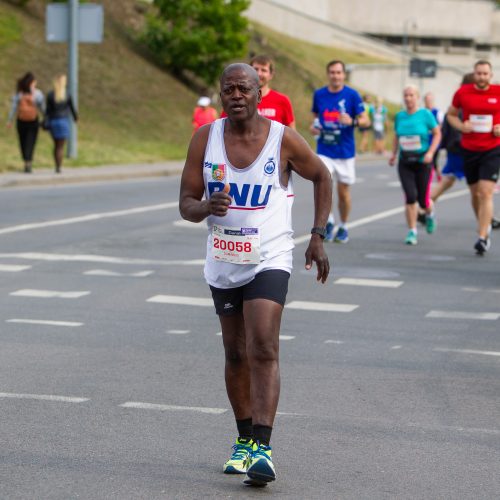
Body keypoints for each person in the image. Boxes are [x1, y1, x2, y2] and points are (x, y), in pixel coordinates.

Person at [179, 63, 331, 487]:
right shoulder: (204, 139)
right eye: (229, 89)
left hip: (270, 255)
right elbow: (186, 204)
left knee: (262, 343)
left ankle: (263, 447)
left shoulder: (282, 138)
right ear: (221, 94)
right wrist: (207, 207)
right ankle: (244, 439)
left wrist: (317, 235)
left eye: (244, 88)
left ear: (259, 92)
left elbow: (322, 175)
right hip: (224, 259)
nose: (236, 95)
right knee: (235, 353)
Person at [311, 60, 370, 243]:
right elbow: (315, 117)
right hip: (324, 149)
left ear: (343, 75)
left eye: (338, 72)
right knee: (323, 183)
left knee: (343, 192)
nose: (335, 76)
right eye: (332, 72)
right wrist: (315, 128)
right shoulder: (319, 94)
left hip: (345, 151)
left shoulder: (352, 95)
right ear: (328, 74)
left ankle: (343, 226)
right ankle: (328, 222)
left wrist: (352, 122)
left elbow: (365, 120)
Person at [447, 60, 500, 255]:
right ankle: (483, 224)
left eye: (485, 74)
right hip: (469, 149)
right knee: (475, 193)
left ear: (490, 76)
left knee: (486, 192)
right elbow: (451, 115)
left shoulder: (498, 92)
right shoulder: (463, 93)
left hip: (492, 149)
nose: (482, 77)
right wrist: (461, 126)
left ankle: (483, 236)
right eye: (479, 73)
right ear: (474, 74)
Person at [389, 85, 441, 245]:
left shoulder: (425, 114)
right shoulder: (400, 116)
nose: (408, 98)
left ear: (417, 97)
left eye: (412, 95)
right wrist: (393, 154)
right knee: (410, 197)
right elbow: (397, 136)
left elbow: (438, 133)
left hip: (422, 162)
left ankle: (429, 214)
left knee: (423, 201)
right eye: (406, 95)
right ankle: (412, 231)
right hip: (405, 161)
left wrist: (430, 153)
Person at [430, 74, 475, 206]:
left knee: (451, 181)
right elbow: (456, 131)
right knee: (477, 185)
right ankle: (424, 206)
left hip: (456, 149)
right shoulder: (464, 104)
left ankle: (424, 206)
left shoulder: (458, 102)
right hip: (462, 150)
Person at [221, 54, 296, 129]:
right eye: (255, 69)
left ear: (271, 75)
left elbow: (292, 133)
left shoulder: (282, 101)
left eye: (263, 70)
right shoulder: (237, 98)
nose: (259, 73)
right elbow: (222, 127)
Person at [6, 72, 44, 173]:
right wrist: (45, 117)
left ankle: (26, 160)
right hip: (33, 121)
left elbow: (13, 108)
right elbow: (42, 107)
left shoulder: (19, 94)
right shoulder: (37, 94)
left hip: (21, 121)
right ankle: (28, 162)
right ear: (32, 82)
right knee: (30, 142)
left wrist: (10, 120)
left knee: (23, 142)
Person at [44, 74, 78, 173]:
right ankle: (59, 166)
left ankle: (56, 164)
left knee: (56, 145)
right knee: (61, 146)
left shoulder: (51, 95)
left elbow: (47, 111)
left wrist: (45, 121)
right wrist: (75, 118)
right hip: (63, 121)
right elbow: (72, 108)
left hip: (53, 121)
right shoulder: (67, 94)